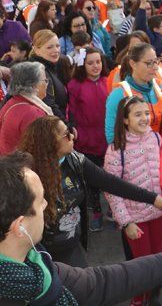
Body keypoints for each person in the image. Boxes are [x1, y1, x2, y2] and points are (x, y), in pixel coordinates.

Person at [0, 151, 162, 305]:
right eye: (40, 201)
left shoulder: (37, 266)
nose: (46, 204)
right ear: (20, 226)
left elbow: (98, 283)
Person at [16, 116, 162, 267]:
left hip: (72, 246)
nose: (72, 136)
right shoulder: (27, 174)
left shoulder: (75, 159)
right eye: (66, 134)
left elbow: (109, 182)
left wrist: (153, 199)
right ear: (50, 142)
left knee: (83, 290)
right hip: (41, 253)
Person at [103, 96, 162, 304]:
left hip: (159, 214)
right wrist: (126, 222)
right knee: (142, 268)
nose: (144, 118)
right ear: (125, 119)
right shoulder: (115, 150)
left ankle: (154, 300)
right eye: (138, 114)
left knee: (160, 264)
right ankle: (138, 301)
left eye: (147, 113)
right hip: (135, 219)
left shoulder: (157, 139)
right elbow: (111, 191)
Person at [65, 46, 109, 231]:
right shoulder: (74, 85)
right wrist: (76, 133)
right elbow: (71, 113)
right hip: (86, 140)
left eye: (98, 62)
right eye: (90, 63)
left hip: (107, 139)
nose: (95, 66)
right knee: (91, 181)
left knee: (110, 176)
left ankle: (114, 210)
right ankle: (96, 213)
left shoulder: (109, 81)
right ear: (83, 64)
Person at [104, 43, 162, 143]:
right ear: (133, 64)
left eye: (156, 62)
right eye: (149, 63)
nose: (155, 67)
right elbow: (111, 136)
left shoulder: (159, 86)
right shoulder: (119, 95)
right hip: (134, 156)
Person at [0, 62, 53, 155]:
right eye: (45, 81)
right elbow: (42, 150)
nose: (47, 84)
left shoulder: (12, 102)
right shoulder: (32, 113)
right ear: (33, 85)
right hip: (24, 166)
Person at [28, 30, 68, 119]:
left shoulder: (53, 65)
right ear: (36, 50)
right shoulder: (38, 72)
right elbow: (49, 105)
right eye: (49, 47)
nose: (56, 50)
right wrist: (66, 126)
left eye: (58, 46)